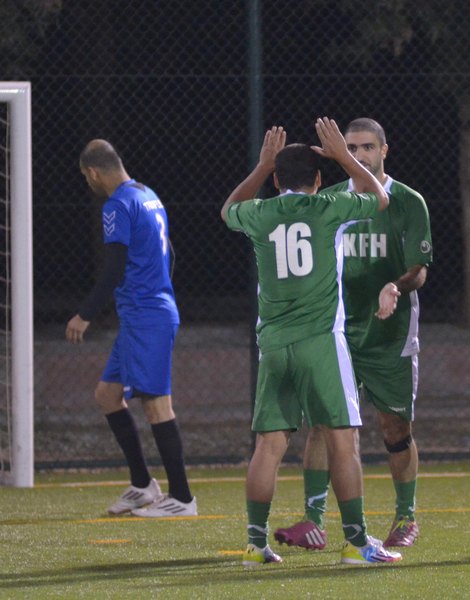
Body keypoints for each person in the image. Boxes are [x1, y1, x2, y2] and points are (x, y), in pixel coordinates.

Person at [221, 118, 402, 566]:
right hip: (321, 342)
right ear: (319, 180)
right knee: (343, 442)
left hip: (273, 345)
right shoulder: (328, 207)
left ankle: (254, 545)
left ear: (276, 180)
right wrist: (344, 157)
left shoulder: (260, 214)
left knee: (269, 446)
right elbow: (379, 197)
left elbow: (228, 209)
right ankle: (357, 544)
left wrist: (261, 166)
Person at [274, 118, 433, 550]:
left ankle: (406, 516)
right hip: (337, 333)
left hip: (390, 335)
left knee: (395, 428)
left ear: (384, 150)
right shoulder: (328, 200)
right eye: (351, 148)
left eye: (367, 147)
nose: (359, 155)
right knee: (324, 425)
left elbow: (419, 270)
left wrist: (395, 286)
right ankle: (313, 520)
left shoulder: (408, 201)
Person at [66, 139, 196, 517]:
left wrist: (85, 314)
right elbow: (170, 252)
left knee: (157, 405)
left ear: (93, 172)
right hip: (145, 314)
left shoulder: (117, 204)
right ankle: (143, 485)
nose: (88, 182)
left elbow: (114, 267)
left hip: (146, 317)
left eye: (86, 177)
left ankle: (182, 498)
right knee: (108, 395)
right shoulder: (147, 194)